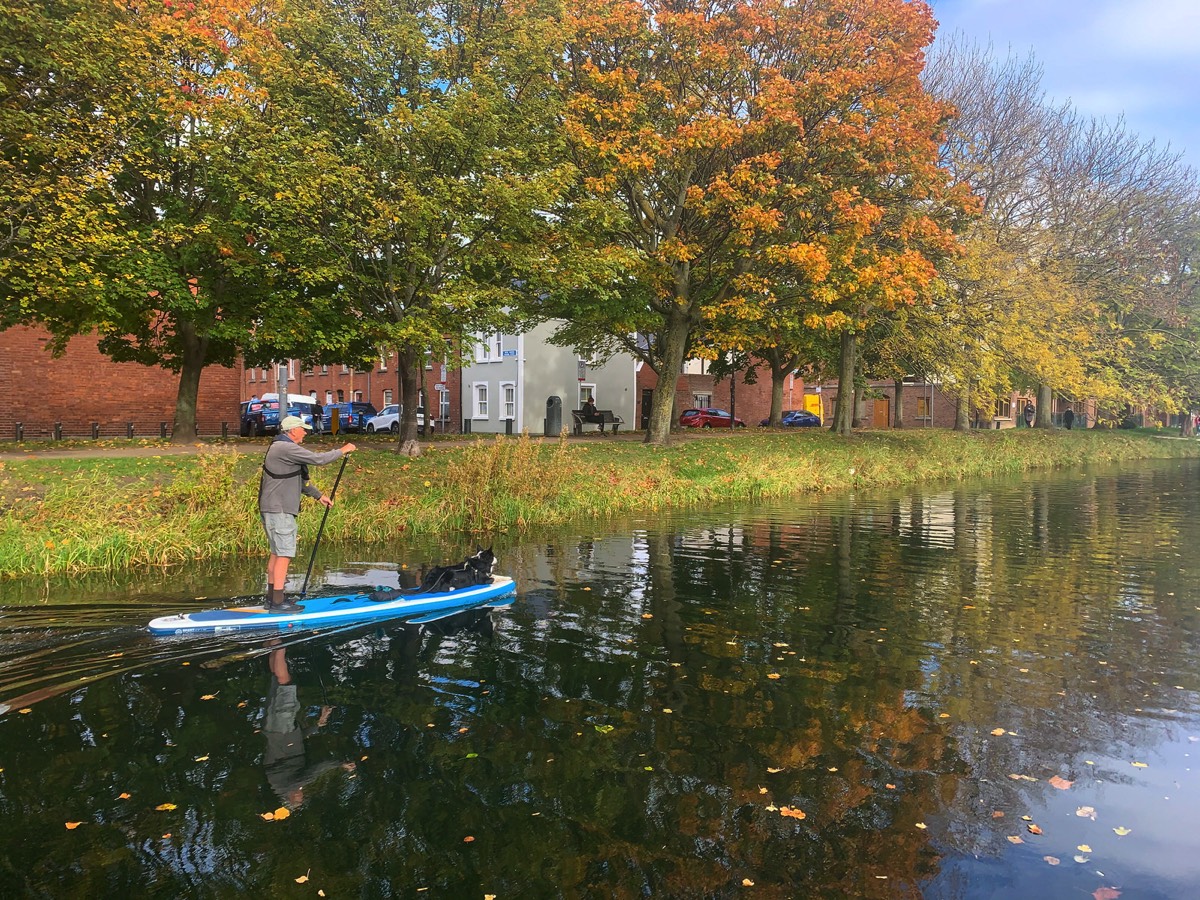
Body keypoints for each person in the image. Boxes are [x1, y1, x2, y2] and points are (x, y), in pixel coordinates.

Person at [259, 415, 356, 613]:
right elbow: (318, 459)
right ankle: (278, 603)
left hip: (273, 508)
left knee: (276, 553)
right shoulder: (286, 448)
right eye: (302, 429)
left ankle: (272, 599)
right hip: (280, 509)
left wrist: (319, 496)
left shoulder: (280, 447)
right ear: (293, 430)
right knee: (284, 554)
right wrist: (343, 450)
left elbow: (299, 480)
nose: (305, 432)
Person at [262, 641, 355, 808]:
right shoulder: (280, 783)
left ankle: (281, 641)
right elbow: (294, 744)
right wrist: (317, 725)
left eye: (298, 798)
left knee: (285, 683)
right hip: (276, 730)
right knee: (277, 681)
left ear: (290, 798)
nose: (301, 794)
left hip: (281, 729)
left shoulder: (289, 785)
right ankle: (273, 643)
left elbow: (314, 771)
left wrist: (339, 764)